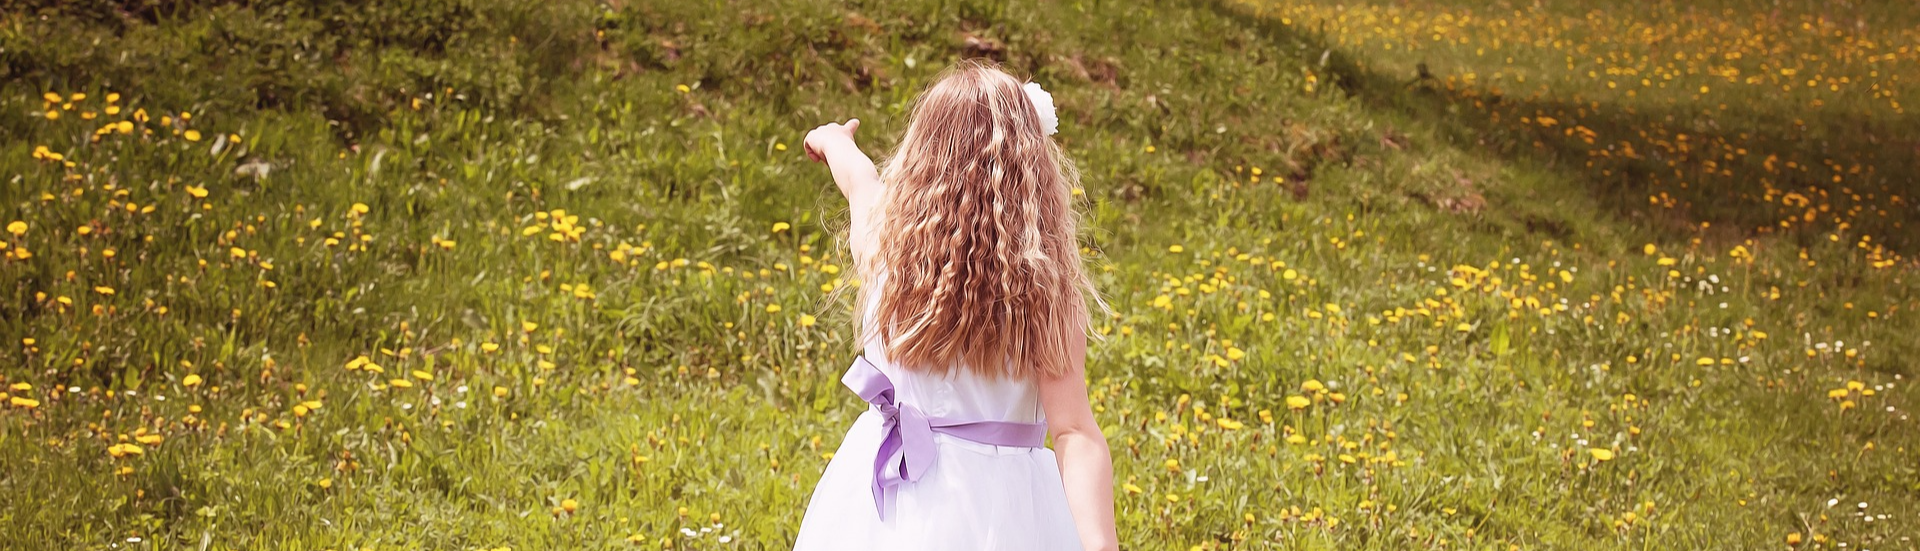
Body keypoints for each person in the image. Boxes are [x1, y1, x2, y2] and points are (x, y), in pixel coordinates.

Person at [792, 59, 1118, 551]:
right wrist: (1099, 544)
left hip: (890, 498)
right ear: (1033, 174)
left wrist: (833, 140)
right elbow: (1073, 430)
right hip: (1002, 510)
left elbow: (859, 181)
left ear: (922, 158)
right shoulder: (1046, 295)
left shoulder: (886, 252)